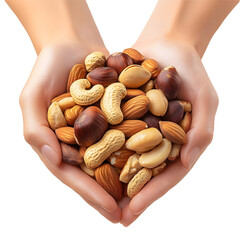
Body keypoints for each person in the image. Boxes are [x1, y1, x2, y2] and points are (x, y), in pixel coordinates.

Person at [5, 0, 239, 227]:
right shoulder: (107, 106)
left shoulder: (130, 106)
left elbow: (118, 119)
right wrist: (59, 33)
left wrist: (179, 35)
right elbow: (116, 120)